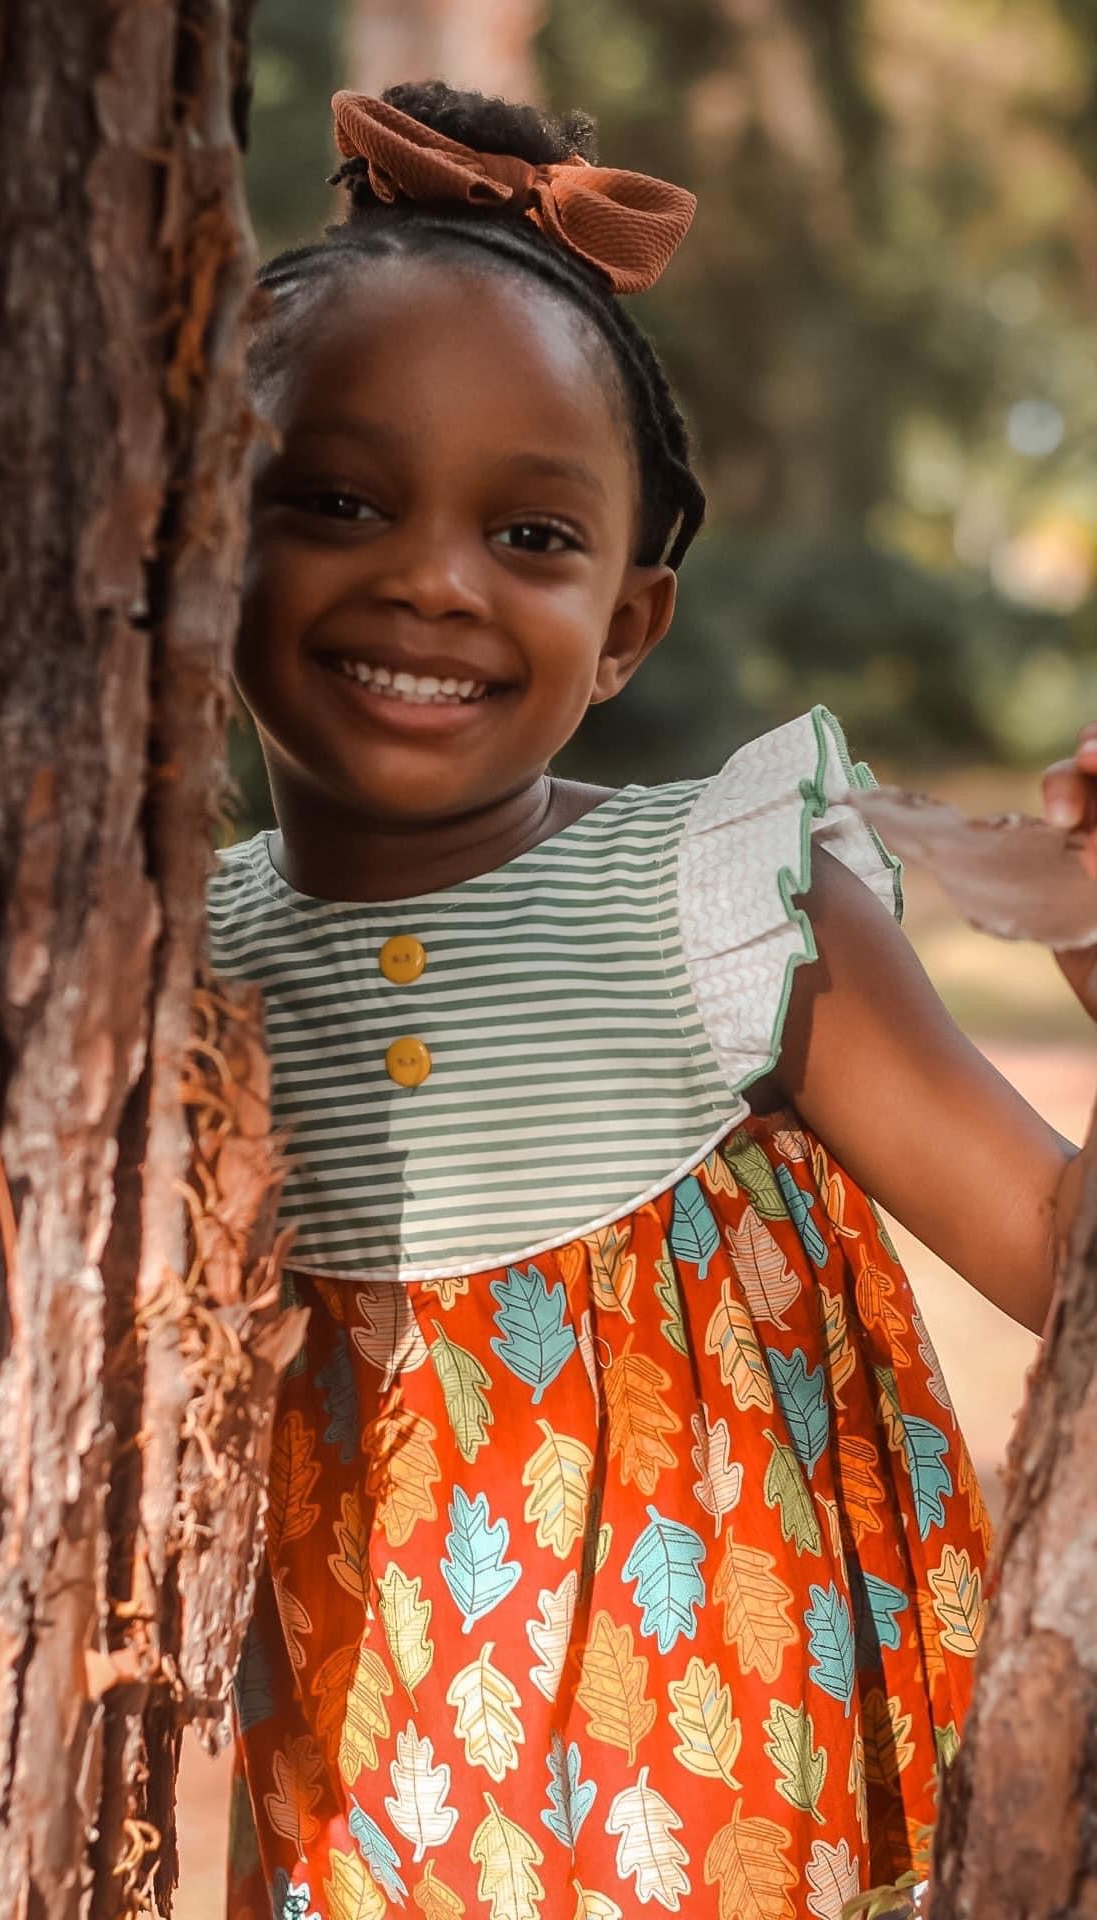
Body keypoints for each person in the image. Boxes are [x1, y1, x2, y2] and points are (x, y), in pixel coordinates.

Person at [207, 79, 1096, 1920]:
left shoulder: (725, 900)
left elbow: (1064, 1267)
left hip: (717, 1843)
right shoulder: (151, 967)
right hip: (329, 1853)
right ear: (199, 533)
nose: (435, 580)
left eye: (533, 538)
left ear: (628, 626)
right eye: (340, 499)